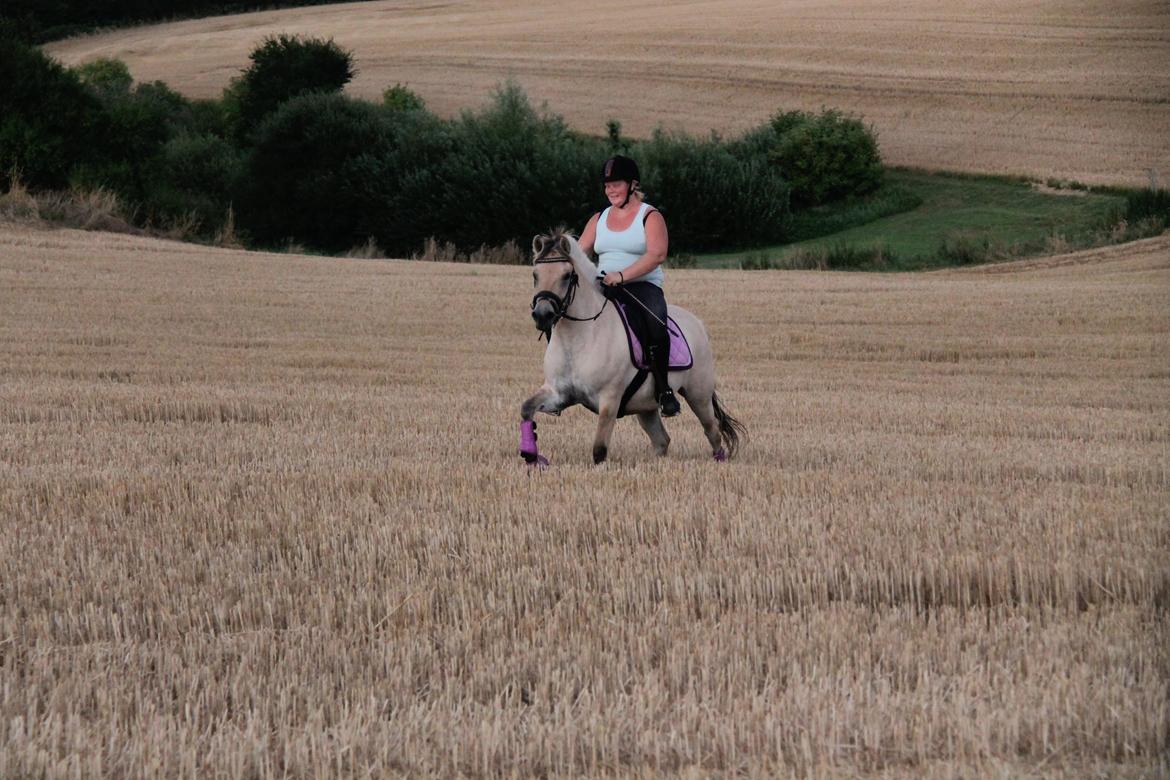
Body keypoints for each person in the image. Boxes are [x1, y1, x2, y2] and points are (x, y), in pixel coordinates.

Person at [577, 155, 681, 417]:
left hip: (642, 288)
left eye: (616, 184)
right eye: (606, 185)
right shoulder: (598, 219)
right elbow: (579, 254)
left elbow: (657, 254)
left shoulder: (650, 216)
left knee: (656, 325)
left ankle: (664, 389)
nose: (610, 190)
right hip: (603, 287)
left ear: (632, 185)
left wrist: (622, 276)